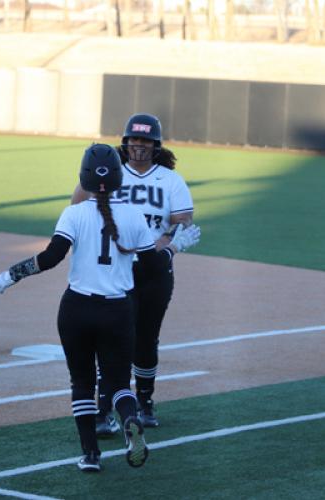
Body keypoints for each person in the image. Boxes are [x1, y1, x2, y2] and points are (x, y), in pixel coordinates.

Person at [0, 144, 201, 472]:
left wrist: (11, 275)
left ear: (84, 178)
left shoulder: (73, 213)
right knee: (119, 383)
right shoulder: (133, 215)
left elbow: (50, 258)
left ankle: (90, 456)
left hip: (75, 310)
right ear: (119, 177)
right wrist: (174, 247)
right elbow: (151, 268)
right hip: (117, 311)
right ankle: (131, 418)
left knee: (82, 383)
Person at [71, 114, 194, 434]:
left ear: (156, 146)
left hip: (153, 269)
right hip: (114, 269)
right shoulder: (110, 171)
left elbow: (182, 222)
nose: (139, 146)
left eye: (146, 141)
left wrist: (155, 248)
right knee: (110, 340)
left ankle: (144, 401)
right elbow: (77, 204)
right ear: (125, 143)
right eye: (134, 141)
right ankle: (104, 408)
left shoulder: (170, 180)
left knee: (145, 339)